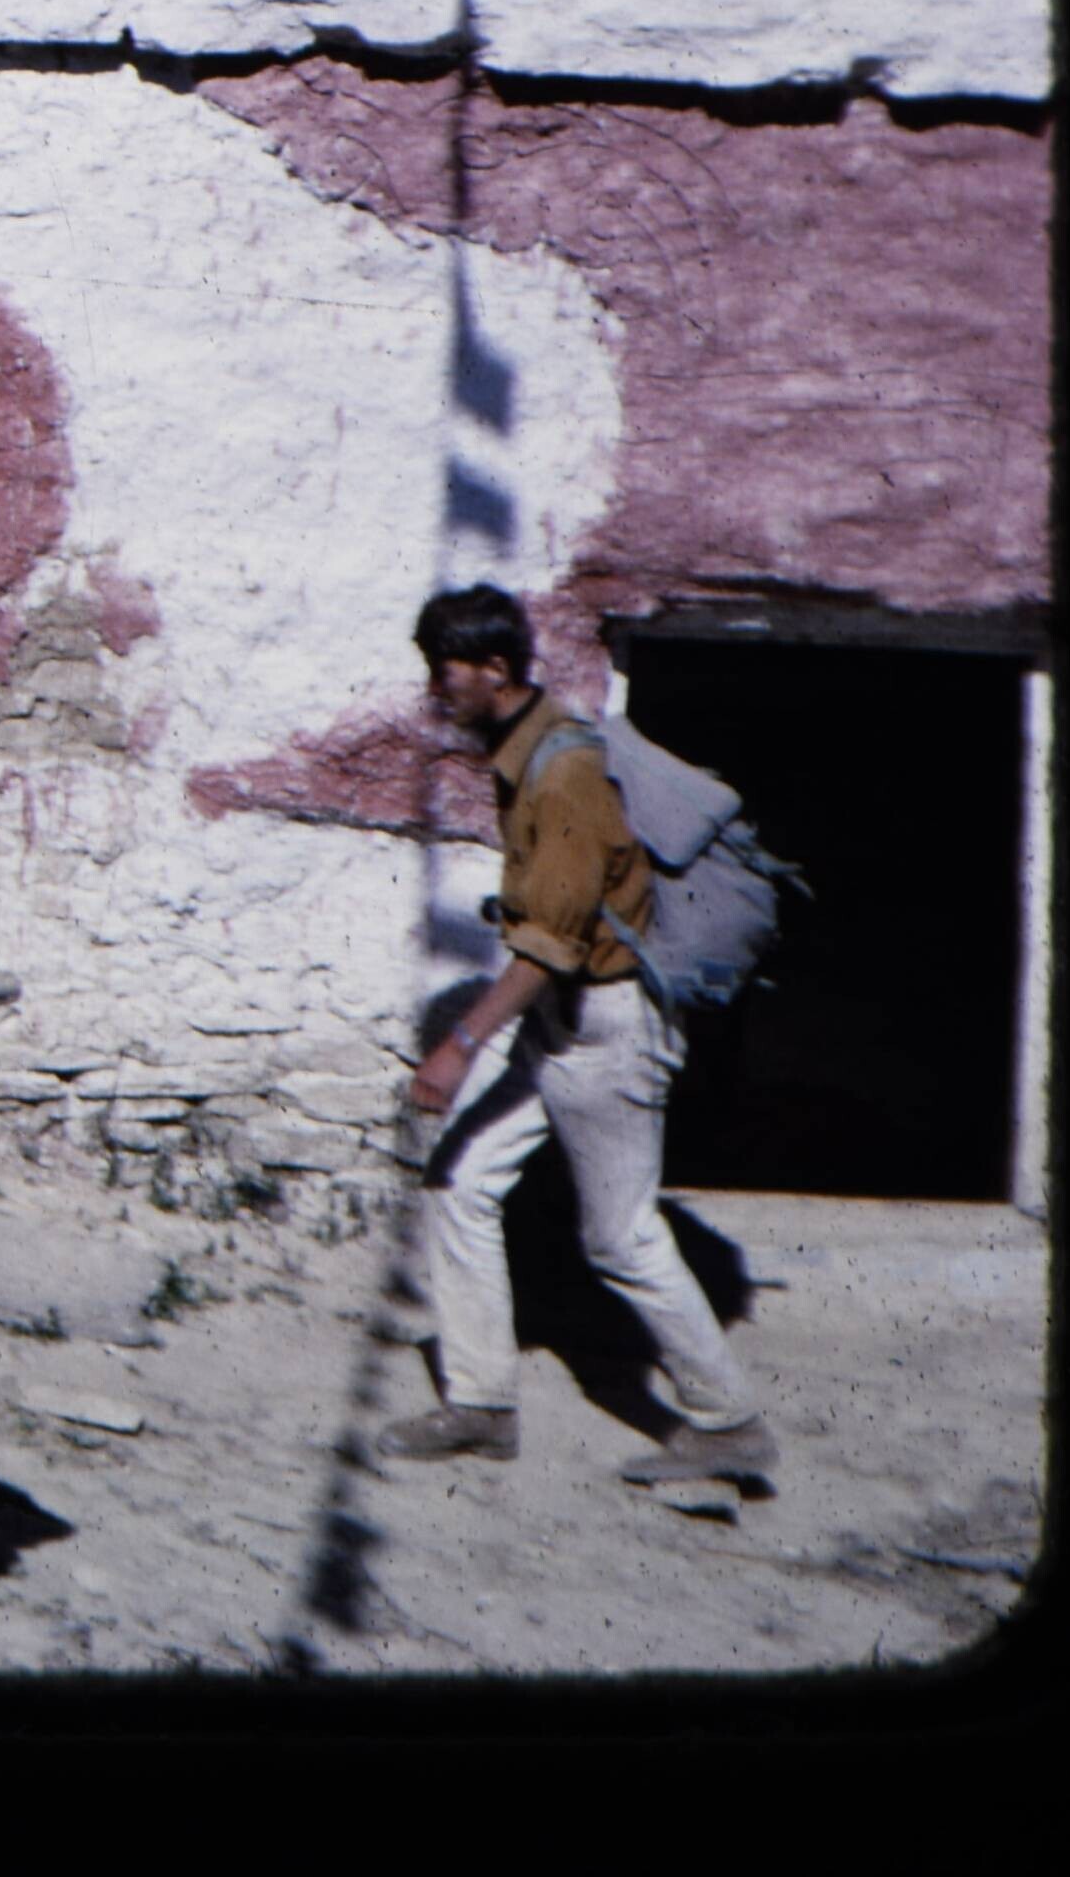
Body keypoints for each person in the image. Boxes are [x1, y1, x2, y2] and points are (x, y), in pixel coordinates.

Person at [370, 585, 771, 1488]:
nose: (436, 688)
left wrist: (458, 1044)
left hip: (606, 1028)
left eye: (446, 670)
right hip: (561, 1024)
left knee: (621, 1238)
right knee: (460, 1181)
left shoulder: (562, 774)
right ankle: (482, 1404)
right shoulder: (526, 753)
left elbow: (550, 943)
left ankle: (729, 1421)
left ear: (496, 669)